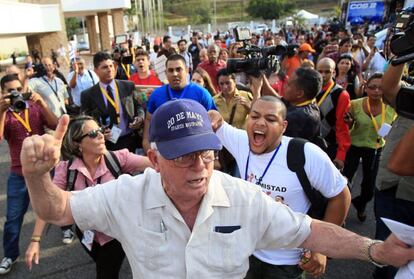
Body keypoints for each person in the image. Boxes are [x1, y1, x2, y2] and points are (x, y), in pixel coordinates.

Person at [20, 99, 414, 278]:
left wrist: (374, 250)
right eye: (182, 157)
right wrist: (37, 176)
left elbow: (308, 230)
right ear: (154, 161)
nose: (199, 166)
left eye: (206, 154)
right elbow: (59, 210)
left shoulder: (241, 197)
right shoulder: (126, 195)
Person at [210, 95, 351, 278]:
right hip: (246, 251)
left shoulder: (305, 154)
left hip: (287, 262)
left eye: (270, 119)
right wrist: (213, 114)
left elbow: (341, 195)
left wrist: (321, 247)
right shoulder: (241, 141)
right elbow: (217, 122)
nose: (260, 123)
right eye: (254, 116)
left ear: (283, 127)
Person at [25, 115, 152, 279]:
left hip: (116, 235)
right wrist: (35, 240)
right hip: (87, 235)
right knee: (101, 263)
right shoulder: (66, 169)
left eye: (100, 130)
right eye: (93, 133)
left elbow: (155, 164)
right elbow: (51, 204)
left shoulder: (118, 158)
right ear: (78, 143)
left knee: (106, 273)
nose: (101, 135)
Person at [0, 74, 58, 275]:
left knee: (58, 202)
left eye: (17, 88)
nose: (15, 93)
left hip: (44, 168)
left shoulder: (33, 106)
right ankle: (9, 255)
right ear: (3, 93)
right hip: (19, 173)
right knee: (13, 216)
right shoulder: (5, 114)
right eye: (9, 90)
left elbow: (55, 124)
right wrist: (1, 110)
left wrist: (41, 102)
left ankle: (67, 228)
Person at [373, 54, 414, 279]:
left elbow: (400, 163)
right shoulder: (409, 95)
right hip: (391, 188)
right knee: (385, 255)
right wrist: (402, 53)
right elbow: (388, 87)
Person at [343, 73, 396, 223]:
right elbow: (347, 124)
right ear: (365, 88)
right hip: (353, 146)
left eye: (380, 88)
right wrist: (350, 122)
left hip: (375, 147)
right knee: (345, 180)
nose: (376, 91)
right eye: (372, 87)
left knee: (369, 188)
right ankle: (341, 209)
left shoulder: (391, 108)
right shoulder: (355, 104)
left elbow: (393, 128)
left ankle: (360, 204)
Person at [142, 54, 217, 152]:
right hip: (166, 153)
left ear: (186, 70)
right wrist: (148, 147)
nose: (175, 73)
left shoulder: (201, 93)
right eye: (171, 70)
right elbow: (148, 121)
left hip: (195, 152)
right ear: (165, 73)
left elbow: (214, 122)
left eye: (178, 69)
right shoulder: (156, 95)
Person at [80, 51, 145, 153]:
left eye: (111, 66)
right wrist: (98, 133)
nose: (110, 70)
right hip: (107, 144)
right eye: (105, 67)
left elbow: (139, 106)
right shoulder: (87, 95)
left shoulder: (128, 86)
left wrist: (140, 118)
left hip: (130, 139)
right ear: (96, 71)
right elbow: (84, 122)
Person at [315, 58, 351, 170]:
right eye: (320, 71)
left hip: (329, 146)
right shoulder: (309, 89)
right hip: (309, 144)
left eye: (327, 72)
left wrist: (341, 155)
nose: (323, 75)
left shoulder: (341, 94)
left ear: (334, 72)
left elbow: (342, 127)